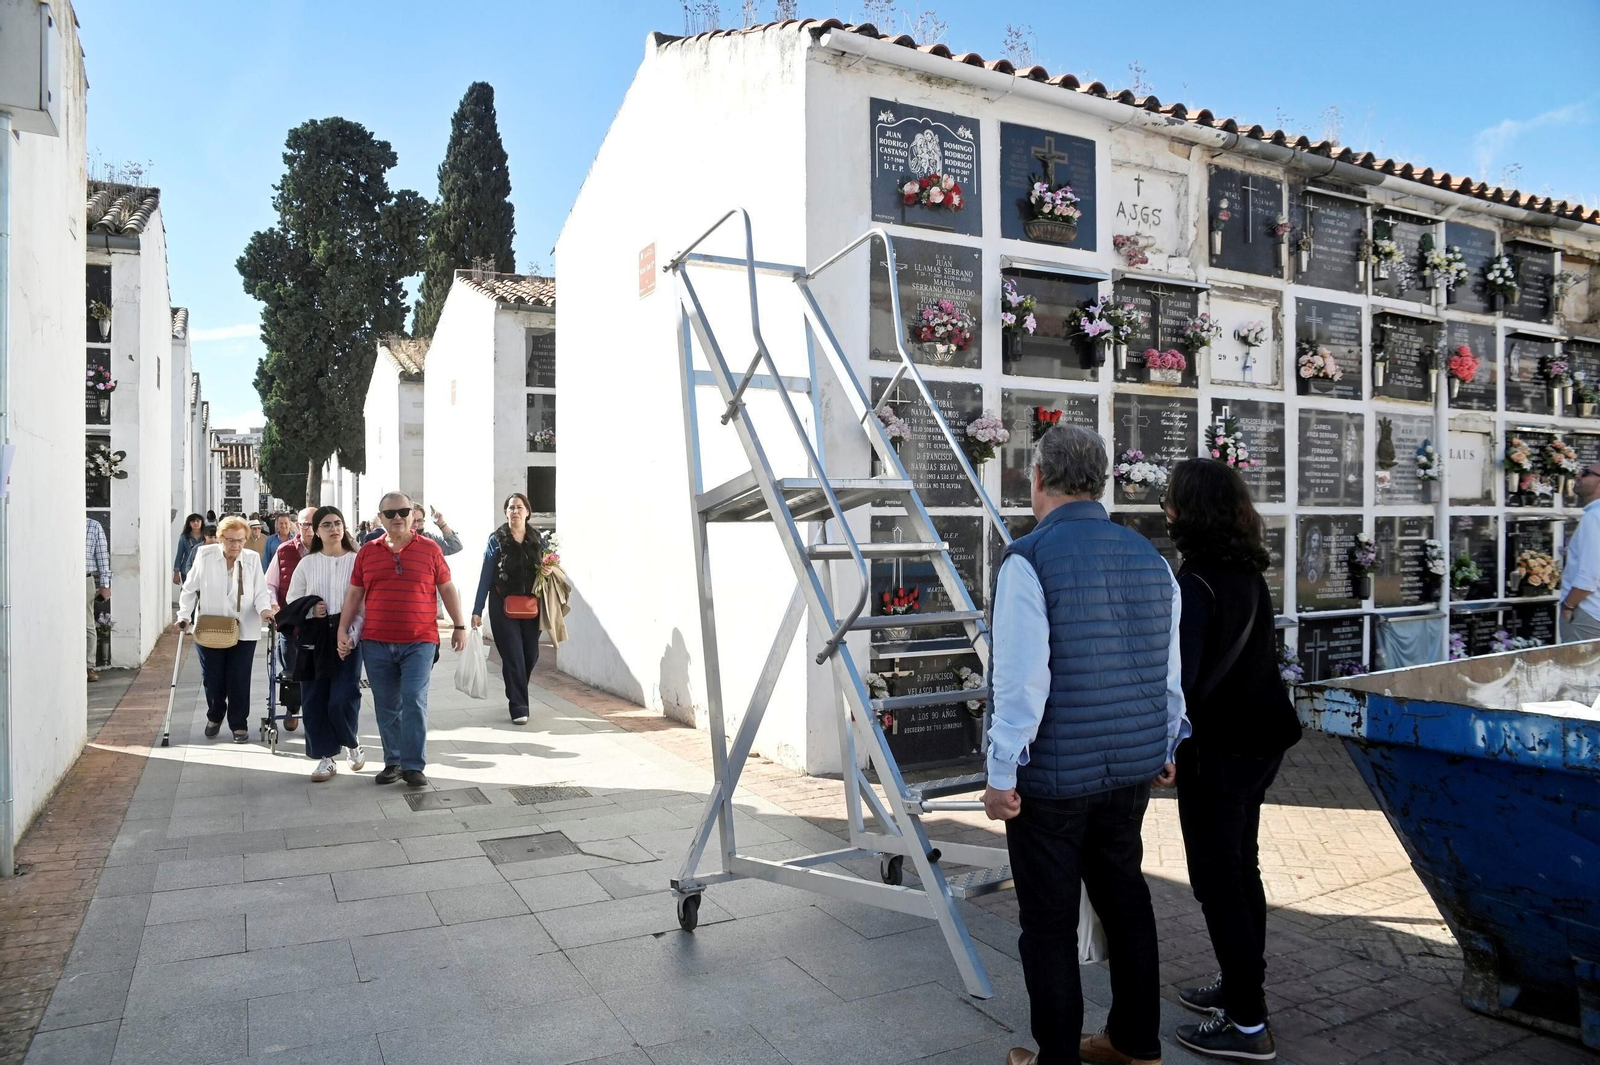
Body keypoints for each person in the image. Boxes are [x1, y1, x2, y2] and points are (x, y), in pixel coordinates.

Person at [985, 425, 1187, 1065]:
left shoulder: (1029, 558)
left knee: (1046, 921)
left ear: (1037, 479)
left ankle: (1058, 1058)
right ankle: (1136, 1044)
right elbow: (1167, 670)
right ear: (1099, 482)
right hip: (1130, 768)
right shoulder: (1152, 559)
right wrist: (1165, 744)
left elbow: (1021, 683)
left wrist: (1000, 772)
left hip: (1051, 778)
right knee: (1125, 898)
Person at [1164, 459, 1301, 1063]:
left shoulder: (1196, 582)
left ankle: (1247, 1022)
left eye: (1171, 500)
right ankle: (1240, 980)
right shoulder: (1245, 570)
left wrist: (1163, 745)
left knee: (1217, 880)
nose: (1164, 509)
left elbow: (1183, 682)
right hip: (1262, 739)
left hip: (1218, 750)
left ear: (1190, 510)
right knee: (1241, 869)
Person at [337, 491, 469, 787]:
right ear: (380, 518)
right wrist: (342, 629)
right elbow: (355, 594)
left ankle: (413, 765)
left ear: (412, 515)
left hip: (419, 640)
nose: (397, 517)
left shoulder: (431, 550)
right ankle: (393, 762)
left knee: (413, 700)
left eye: (403, 511)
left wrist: (460, 625)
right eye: (390, 513)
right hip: (376, 641)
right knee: (386, 704)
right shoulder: (367, 552)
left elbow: (447, 588)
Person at [177, 515, 276, 742]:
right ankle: (215, 715)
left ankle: (239, 723)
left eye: (241, 540)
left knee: (239, 678)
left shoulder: (251, 558)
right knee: (213, 678)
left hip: (244, 627)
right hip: (212, 627)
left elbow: (261, 592)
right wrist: (184, 615)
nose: (236, 545)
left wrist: (264, 611)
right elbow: (190, 589)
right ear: (220, 538)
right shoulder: (205, 555)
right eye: (231, 540)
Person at [285, 506, 366, 782]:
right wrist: (310, 609)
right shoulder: (307, 563)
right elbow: (292, 599)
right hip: (314, 635)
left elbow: (365, 605)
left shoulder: (357, 560)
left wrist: (352, 636)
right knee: (315, 697)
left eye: (338, 523)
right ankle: (325, 758)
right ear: (316, 531)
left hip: (347, 634)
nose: (334, 528)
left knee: (342, 697)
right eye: (327, 524)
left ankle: (351, 743)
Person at [472, 493, 545, 724]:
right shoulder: (497, 539)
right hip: (502, 605)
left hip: (531, 605)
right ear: (506, 512)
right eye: (511, 507)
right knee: (513, 655)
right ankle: (519, 706)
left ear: (527, 512)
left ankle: (517, 691)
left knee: (530, 654)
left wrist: (548, 570)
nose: (515, 511)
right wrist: (477, 609)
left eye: (519, 507)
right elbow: (486, 575)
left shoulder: (538, 539)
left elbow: (545, 569)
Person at [266, 507, 318, 730]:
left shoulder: (330, 551)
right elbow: (270, 584)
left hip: (320, 625)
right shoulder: (284, 551)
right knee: (292, 670)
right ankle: (293, 707)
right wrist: (274, 605)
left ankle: (315, 710)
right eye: (306, 524)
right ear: (298, 526)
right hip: (291, 625)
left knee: (317, 670)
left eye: (315, 524)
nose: (310, 529)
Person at [1560, 461, 1600, 642]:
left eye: (1586, 473)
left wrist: (1568, 605)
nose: (1578, 476)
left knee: (1580, 669)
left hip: (1588, 613)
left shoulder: (1594, 517)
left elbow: (1589, 575)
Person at [85, 517, 112, 682]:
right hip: (61, 579)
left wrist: (105, 584)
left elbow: (102, 557)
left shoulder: (93, 526)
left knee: (87, 623)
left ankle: (89, 666)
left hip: (84, 578)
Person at [173, 513, 205, 590]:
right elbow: (179, 555)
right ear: (189, 524)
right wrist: (176, 573)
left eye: (198, 521)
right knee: (188, 591)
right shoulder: (184, 537)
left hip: (203, 569)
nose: (196, 523)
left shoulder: (206, 537)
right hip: (187, 570)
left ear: (201, 522)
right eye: (193, 521)